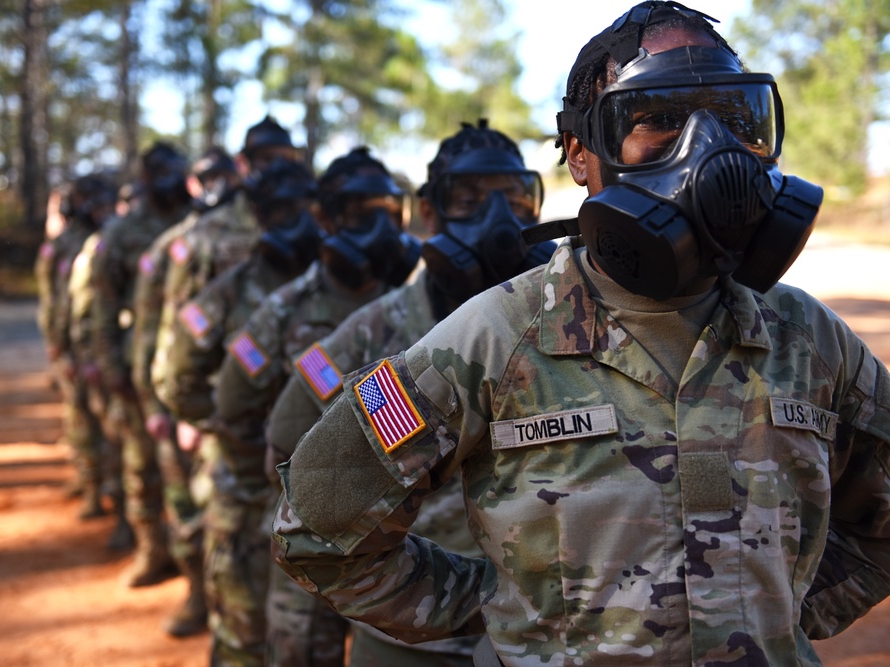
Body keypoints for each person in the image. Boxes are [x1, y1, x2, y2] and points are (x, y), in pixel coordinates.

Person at [272, 3, 890, 666]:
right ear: (578, 152)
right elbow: (319, 528)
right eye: (657, 118)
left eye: (733, 116)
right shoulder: (494, 338)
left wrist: (782, 610)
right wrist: (499, 607)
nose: (709, 145)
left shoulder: (807, 336)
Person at [265, 120, 554, 666]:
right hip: (414, 635)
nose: (497, 219)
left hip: (548, 636)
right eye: (468, 199)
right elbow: (288, 447)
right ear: (429, 212)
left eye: (514, 198)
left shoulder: (569, 323)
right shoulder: (371, 334)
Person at [206, 146, 421, 667]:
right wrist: (272, 489)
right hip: (308, 535)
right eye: (359, 212)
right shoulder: (285, 310)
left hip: (401, 539)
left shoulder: (417, 308)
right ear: (325, 218)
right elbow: (232, 405)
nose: (378, 227)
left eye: (388, 213)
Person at [131, 144, 255, 637]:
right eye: (206, 178)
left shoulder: (264, 230)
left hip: (240, 396)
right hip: (188, 396)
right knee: (189, 506)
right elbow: (150, 328)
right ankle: (197, 597)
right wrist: (159, 404)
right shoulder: (178, 245)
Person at [90, 140, 193, 587]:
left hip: (187, 370)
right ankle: (152, 551)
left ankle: (193, 569)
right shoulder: (122, 233)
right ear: (146, 179)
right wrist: (113, 371)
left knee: (187, 477)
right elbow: (102, 310)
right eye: (161, 173)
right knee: (141, 465)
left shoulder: (197, 226)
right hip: (138, 368)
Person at [35, 172, 117, 515]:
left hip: (96, 346)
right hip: (73, 346)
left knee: (107, 422)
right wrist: (57, 344)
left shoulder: (108, 239)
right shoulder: (63, 245)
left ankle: (106, 486)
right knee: (80, 416)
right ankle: (91, 484)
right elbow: (54, 302)